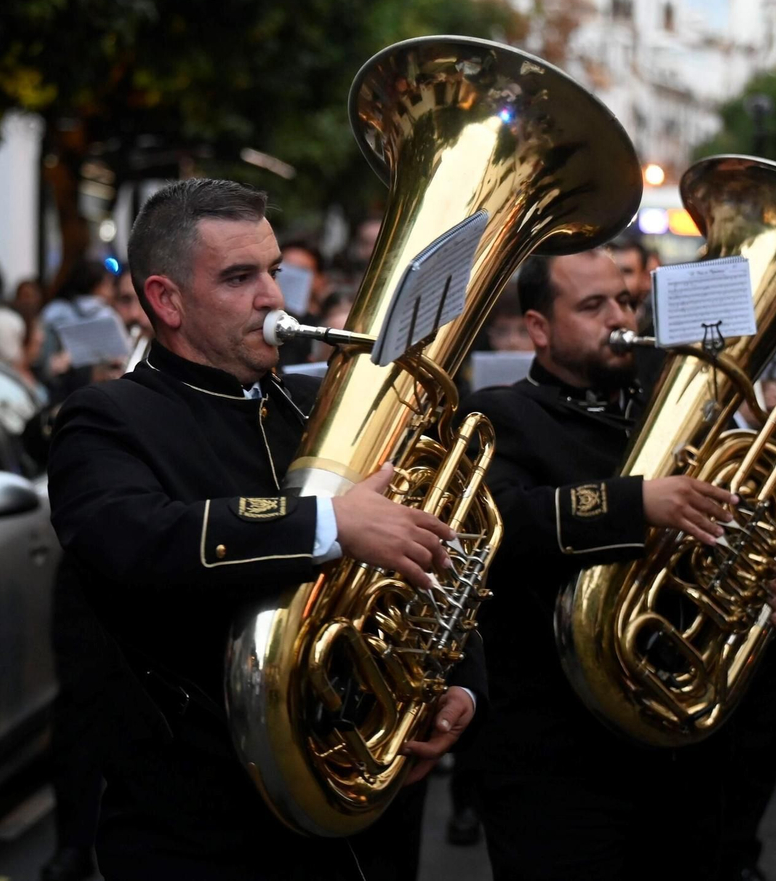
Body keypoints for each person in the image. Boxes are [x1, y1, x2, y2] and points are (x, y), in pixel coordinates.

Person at [47, 179, 482, 880]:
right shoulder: (109, 417)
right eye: (239, 277)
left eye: (274, 271)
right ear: (166, 300)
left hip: (368, 826)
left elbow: (427, 562)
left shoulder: (316, 405)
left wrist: (459, 686)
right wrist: (328, 521)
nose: (274, 297)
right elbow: (137, 536)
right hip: (205, 832)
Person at [456, 250, 776, 881]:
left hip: (680, 749)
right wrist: (634, 502)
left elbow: (718, 541)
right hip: (554, 756)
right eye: (592, 306)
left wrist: (757, 594)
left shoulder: (678, 412)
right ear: (539, 327)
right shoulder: (503, 414)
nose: (619, 318)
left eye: (625, 302)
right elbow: (497, 523)